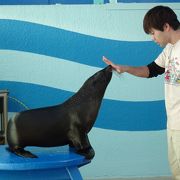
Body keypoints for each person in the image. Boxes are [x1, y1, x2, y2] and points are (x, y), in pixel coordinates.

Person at [102, 5, 180, 180]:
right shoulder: (170, 49)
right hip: (174, 123)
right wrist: (125, 68)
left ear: (166, 27)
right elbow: (151, 70)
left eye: (153, 33)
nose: (152, 38)